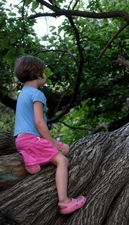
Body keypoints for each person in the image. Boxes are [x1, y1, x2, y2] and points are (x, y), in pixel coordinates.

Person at [13, 55, 86, 215]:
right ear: (38, 74)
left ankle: (30, 158)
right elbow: (40, 123)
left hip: (21, 141)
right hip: (33, 139)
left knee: (65, 148)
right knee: (62, 160)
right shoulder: (37, 94)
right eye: (44, 72)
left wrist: (56, 144)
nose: (45, 75)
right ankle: (64, 202)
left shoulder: (23, 93)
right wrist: (52, 143)